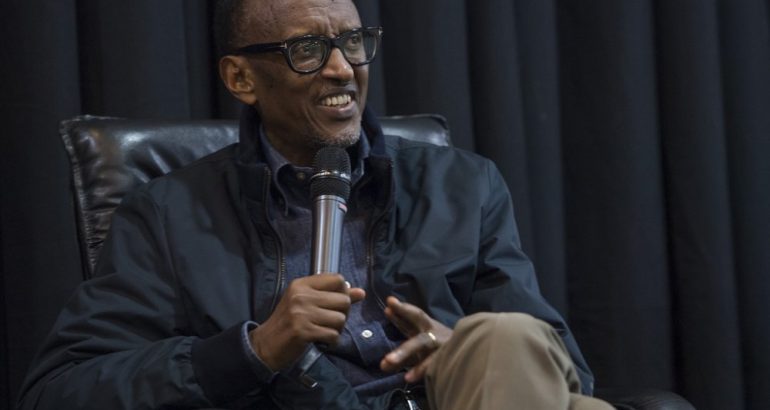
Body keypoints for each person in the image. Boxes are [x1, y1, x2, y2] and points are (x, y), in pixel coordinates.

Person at [18, 0, 613, 409]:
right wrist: (254, 350)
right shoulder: (168, 215)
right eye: (307, 48)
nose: (342, 69)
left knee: (505, 340)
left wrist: (461, 351)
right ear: (241, 78)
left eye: (352, 41)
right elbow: (60, 391)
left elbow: (559, 366)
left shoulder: (461, 183)